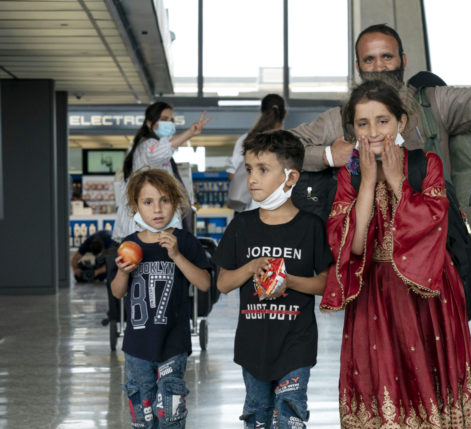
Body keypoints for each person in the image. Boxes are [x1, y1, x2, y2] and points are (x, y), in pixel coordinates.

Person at [321, 79, 471, 427]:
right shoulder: (349, 177)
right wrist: (367, 182)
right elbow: (351, 245)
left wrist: (397, 179)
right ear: (352, 128)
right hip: (376, 299)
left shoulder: (426, 164)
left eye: (382, 121)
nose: (373, 131)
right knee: (384, 396)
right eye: (363, 123)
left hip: (427, 295)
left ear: (400, 121)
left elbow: (429, 228)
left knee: (430, 390)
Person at [291, 17, 471, 172]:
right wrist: (327, 156)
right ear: (358, 67)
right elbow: (280, 148)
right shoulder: (339, 118)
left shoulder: (434, 103)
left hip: (431, 244)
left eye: (387, 57)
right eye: (369, 59)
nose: (379, 66)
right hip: (364, 248)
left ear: (403, 60)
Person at [215, 130, 333, 429]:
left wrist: (288, 282)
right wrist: (251, 267)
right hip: (253, 346)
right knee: (257, 417)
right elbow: (223, 283)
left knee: (289, 418)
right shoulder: (241, 226)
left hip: (296, 344)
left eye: (263, 170)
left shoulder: (311, 227)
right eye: (250, 169)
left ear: (291, 178)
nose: (252, 178)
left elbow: (326, 284)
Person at [111, 169, 211, 428]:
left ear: (175, 203)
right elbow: (117, 292)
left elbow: (204, 283)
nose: (157, 209)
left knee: (171, 415)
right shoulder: (128, 245)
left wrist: (177, 255)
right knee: (143, 419)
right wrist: (123, 273)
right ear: (135, 207)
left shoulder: (184, 242)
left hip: (173, 346)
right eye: (148, 202)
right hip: (137, 349)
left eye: (164, 200)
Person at [113, 101, 211, 242]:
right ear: (149, 123)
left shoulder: (149, 146)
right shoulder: (147, 145)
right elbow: (161, 151)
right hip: (146, 225)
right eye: (164, 119)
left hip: (152, 223)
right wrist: (190, 132)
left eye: (171, 120)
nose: (169, 123)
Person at [225, 94, 287, 212]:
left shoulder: (245, 140)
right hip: (283, 209)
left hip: (252, 208)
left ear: (262, 111)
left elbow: (231, 175)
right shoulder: (290, 141)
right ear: (285, 113)